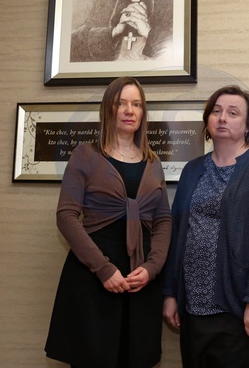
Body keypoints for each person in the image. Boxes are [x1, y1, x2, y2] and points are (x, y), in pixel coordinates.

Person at [45, 77, 172, 368]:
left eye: (136, 104)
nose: (129, 110)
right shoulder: (85, 155)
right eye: (121, 103)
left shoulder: (153, 163)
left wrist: (152, 268)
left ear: (143, 113)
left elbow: (163, 219)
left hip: (140, 279)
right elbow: (66, 216)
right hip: (94, 276)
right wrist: (103, 269)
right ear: (108, 109)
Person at [162, 85, 249, 368]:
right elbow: (177, 234)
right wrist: (171, 293)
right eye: (217, 111)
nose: (222, 118)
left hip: (239, 308)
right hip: (193, 307)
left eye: (233, 113)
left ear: (248, 125)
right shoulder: (192, 169)